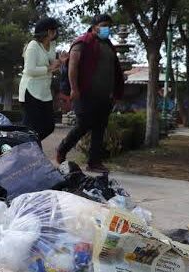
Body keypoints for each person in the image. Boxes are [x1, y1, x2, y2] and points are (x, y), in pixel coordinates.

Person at [56, 14, 124, 173]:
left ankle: (94, 162)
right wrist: (74, 88)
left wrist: (116, 93)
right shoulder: (82, 42)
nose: (107, 29)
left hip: (104, 95)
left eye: (109, 26)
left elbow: (115, 70)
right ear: (94, 27)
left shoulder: (108, 45)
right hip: (84, 93)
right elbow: (73, 66)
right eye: (104, 25)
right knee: (83, 125)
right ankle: (62, 149)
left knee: (100, 128)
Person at [18, 17, 65, 141]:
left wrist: (60, 61)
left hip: (44, 92)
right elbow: (30, 70)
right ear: (48, 32)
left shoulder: (52, 44)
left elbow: (52, 65)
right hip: (30, 91)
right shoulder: (33, 46)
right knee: (30, 128)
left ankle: (28, 146)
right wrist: (49, 68)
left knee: (49, 126)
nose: (56, 32)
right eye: (55, 30)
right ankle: (26, 150)